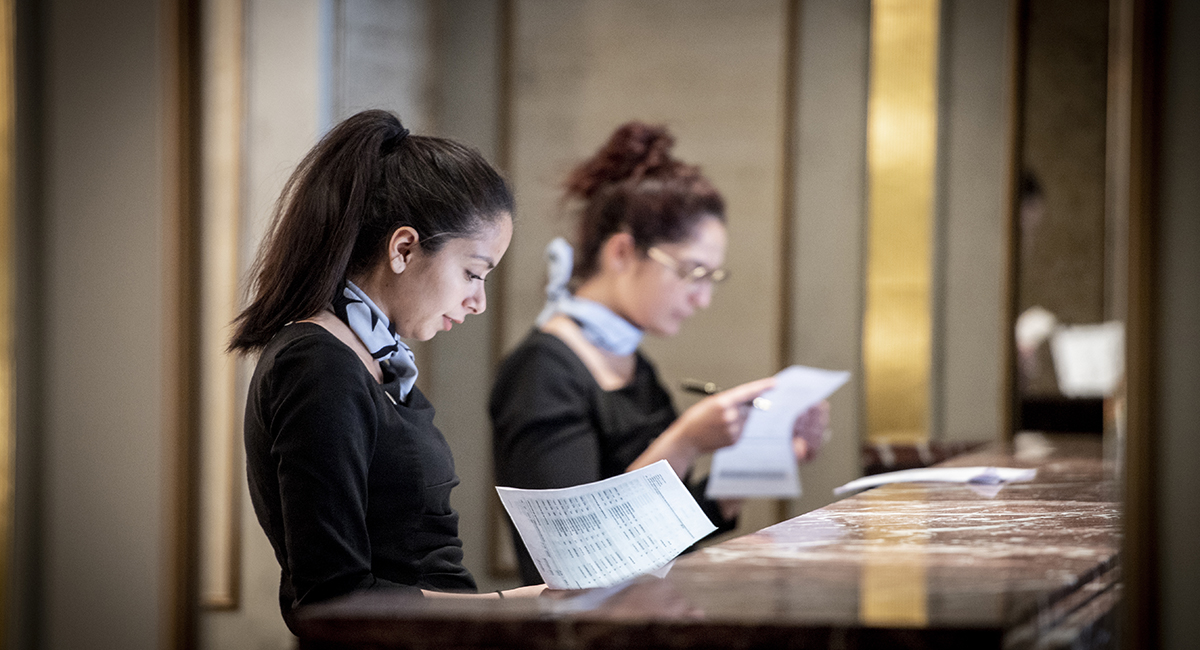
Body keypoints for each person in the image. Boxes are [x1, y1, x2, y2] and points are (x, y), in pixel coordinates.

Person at [229, 110, 540, 633]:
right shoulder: (318, 365)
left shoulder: (373, 357)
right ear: (403, 249)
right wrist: (511, 605)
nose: (478, 302)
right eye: (472, 273)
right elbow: (332, 596)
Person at [490, 122, 830, 586]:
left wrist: (761, 460)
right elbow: (572, 562)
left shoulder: (635, 365)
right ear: (623, 252)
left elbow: (656, 542)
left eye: (712, 277)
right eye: (692, 272)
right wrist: (688, 439)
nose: (702, 298)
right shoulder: (541, 371)